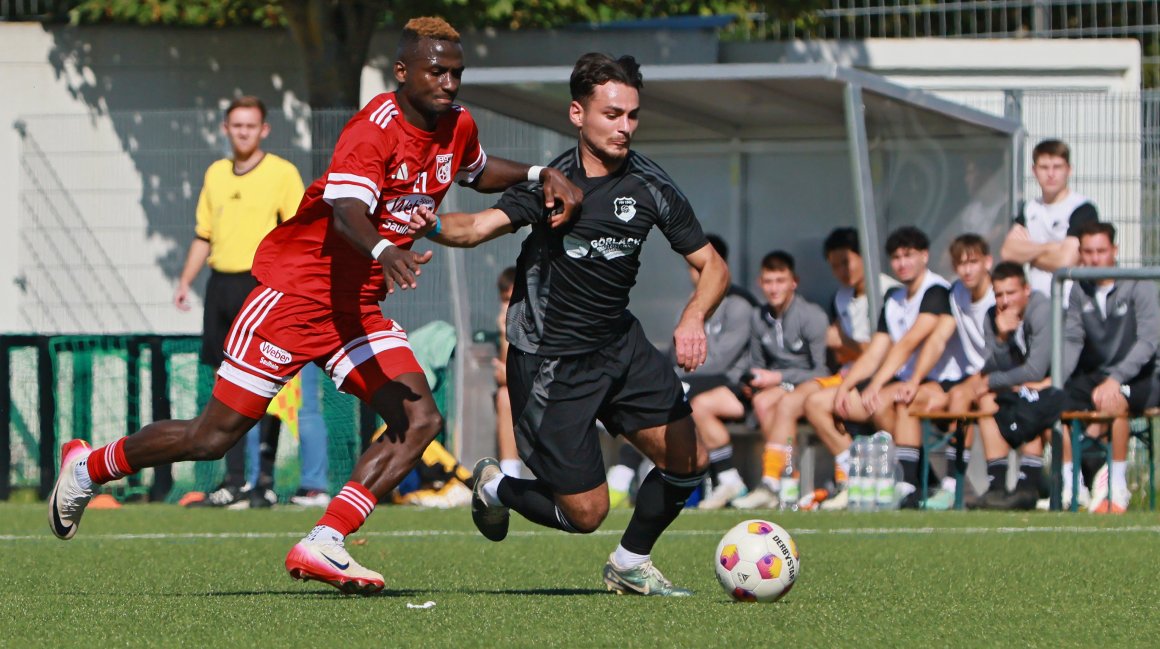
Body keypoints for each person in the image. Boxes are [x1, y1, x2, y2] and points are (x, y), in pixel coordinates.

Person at [48, 17, 582, 596]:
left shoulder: (457, 125)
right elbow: (346, 211)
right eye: (437, 71)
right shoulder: (372, 129)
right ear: (402, 72)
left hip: (357, 311)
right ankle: (89, 466)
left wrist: (538, 171)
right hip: (296, 298)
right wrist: (384, 248)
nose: (449, 83)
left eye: (456, 73)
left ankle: (326, 539)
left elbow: (477, 172)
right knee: (211, 438)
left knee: (419, 418)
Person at [409, 52, 728, 596]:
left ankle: (630, 564)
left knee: (690, 459)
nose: (624, 127)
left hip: (619, 344)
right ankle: (496, 486)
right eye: (612, 114)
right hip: (552, 360)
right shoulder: (553, 183)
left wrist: (694, 315)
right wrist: (431, 221)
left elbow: (711, 265)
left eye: (632, 115)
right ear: (578, 114)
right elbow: (475, 228)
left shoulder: (650, 185)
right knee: (586, 514)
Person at [172, 95, 304, 509]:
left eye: (251, 125)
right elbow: (203, 233)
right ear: (226, 129)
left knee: (266, 382)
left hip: (261, 285)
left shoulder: (282, 173)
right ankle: (231, 481)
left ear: (264, 130)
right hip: (220, 286)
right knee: (223, 383)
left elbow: (300, 232)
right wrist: (185, 280)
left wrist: (295, 286)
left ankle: (263, 481)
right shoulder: (216, 173)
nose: (243, 132)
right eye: (236, 125)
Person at [803, 226, 965, 508]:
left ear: (925, 256)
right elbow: (877, 349)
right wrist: (846, 385)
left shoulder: (936, 290)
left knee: (881, 402)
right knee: (816, 403)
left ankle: (912, 480)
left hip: (938, 383)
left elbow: (910, 343)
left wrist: (876, 385)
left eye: (909, 255)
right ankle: (855, 476)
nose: (902, 263)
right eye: (897, 257)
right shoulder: (893, 298)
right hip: (900, 381)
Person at [609, 233, 755, 511]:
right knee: (648, 398)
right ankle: (726, 478)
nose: (695, 275)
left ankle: (623, 474)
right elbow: (676, 350)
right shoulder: (691, 304)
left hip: (730, 384)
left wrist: (679, 373)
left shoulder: (739, 304)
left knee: (669, 400)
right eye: (692, 268)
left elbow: (724, 361)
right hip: (694, 380)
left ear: (719, 266)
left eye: (702, 267)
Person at [701, 251, 828, 510]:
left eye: (780, 281)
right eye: (768, 281)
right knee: (701, 404)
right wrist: (751, 380)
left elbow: (822, 371)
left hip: (806, 388)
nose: (774, 288)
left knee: (772, 403)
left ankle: (777, 480)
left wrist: (779, 377)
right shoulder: (758, 317)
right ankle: (729, 479)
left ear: (794, 282)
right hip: (767, 390)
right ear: (760, 283)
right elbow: (757, 363)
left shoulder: (812, 315)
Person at [1059, 221, 1160, 513]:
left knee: (1115, 402)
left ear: (1114, 250)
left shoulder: (1138, 284)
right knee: (1058, 403)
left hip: (1144, 377)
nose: (1094, 259)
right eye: (1088, 252)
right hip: (1100, 378)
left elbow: (1148, 342)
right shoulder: (1079, 288)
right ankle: (1072, 488)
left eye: (1101, 251)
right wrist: (1055, 380)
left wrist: (1116, 379)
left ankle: (1117, 490)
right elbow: (1073, 339)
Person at [807, 227, 899, 510]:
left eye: (846, 262)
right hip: (850, 378)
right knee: (807, 402)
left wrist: (846, 343)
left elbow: (881, 352)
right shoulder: (841, 297)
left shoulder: (889, 291)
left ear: (865, 257)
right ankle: (851, 476)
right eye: (835, 266)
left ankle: (897, 477)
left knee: (878, 405)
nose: (842, 271)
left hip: (884, 379)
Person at [952, 262, 1053, 510]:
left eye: (1011, 293)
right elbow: (996, 364)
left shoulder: (1042, 310)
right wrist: (1002, 338)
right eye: (999, 294)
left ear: (1026, 289)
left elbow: (1037, 370)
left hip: (1053, 384)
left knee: (1029, 398)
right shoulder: (992, 317)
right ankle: (996, 484)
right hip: (1018, 385)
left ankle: (1028, 483)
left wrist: (993, 381)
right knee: (987, 401)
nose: (1004, 301)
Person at [927, 234, 995, 510]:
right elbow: (938, 338)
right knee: (920, 400)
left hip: (998, 374)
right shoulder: (955, 294)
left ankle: (959, 483)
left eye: (973, 262)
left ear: (988, 262)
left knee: (959, 399)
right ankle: (913, 483)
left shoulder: (997, 294)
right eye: (961, 264)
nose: (967, 269)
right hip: (971, 375)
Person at [1000, 139, 1099, 297]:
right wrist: (1050, 247)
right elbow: (1008, 253)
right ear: (1034, 170)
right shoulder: (1028, 209)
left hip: (1070, 302)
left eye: (1057, 167)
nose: (1051, 174)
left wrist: (1029, 256)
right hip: (1035, 301)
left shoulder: (1083, 209)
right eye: (1044, 167)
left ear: (1069, 169)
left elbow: (1066, 261)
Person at [493, 266, 524, 479]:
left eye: (513, 299)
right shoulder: (507, 326)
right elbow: (504, 376)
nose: (509, 306)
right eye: (505, 300)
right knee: (505, 396)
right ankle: (509, 475)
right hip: (524, 390)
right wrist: (506, 332)